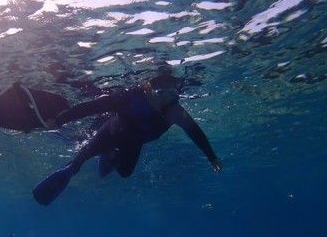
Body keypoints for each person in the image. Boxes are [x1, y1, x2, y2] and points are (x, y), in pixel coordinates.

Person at [33, 81, 222, 206]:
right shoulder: (130, 98)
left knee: (125, 173)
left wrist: (211, 156)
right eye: (163, 94)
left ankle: (111, 155)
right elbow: (90, 108)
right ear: (150, 89)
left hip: (132, 143)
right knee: (81, 158)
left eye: (173, 96)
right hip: (110, 133)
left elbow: (194, 131)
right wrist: (60, 120)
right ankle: (72, 168)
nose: (170, 99)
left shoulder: (174, 112)